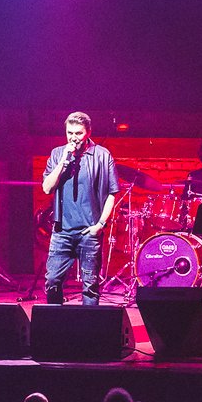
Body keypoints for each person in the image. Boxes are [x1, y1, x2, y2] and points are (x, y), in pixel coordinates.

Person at [41, 111, 120, 306]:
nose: (73, 138)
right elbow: (47, 188)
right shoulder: (57, 154)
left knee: (90, 286)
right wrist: (63, 161)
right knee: (52, 281)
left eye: (78, 133)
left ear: (88, 132)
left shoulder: (102, 155)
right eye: (70, 133)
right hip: (62, 231)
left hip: (89, 231)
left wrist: (100, 225)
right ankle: (54, 323)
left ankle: (88, 324)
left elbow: (112, 193)